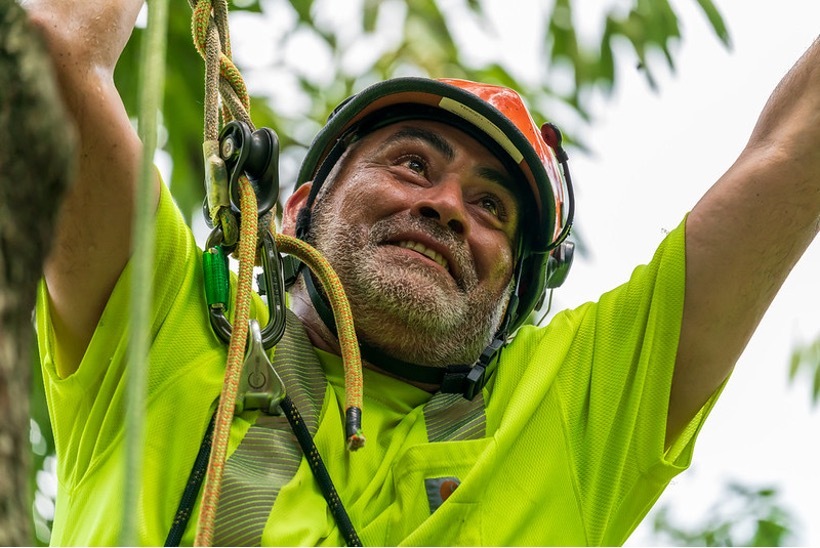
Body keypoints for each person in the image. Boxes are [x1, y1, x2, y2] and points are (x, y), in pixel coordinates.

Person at [25, 0, 819, 545]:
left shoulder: (571, 412)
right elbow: (53, 59)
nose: (447, 207)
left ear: (517, 295)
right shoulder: (172, 324)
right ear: (298, 207)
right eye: (412, 165)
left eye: (492, 209)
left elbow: (792, 156)